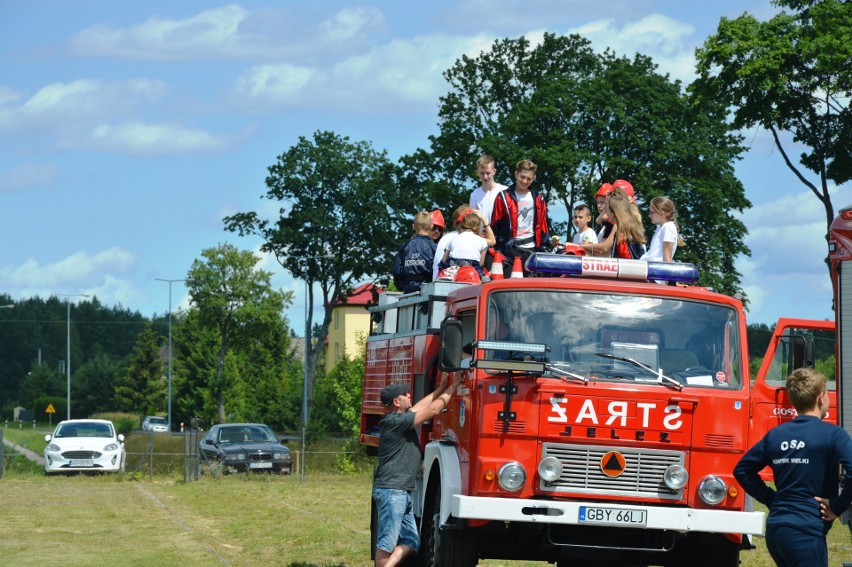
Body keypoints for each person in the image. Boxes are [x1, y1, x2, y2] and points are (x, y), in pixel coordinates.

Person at [734, 368, 852, 567]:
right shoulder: (833, 434)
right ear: (821, 398)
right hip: (805, 532)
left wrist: (772, 499)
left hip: (777, 531)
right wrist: (837, 506)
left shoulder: (776, 435)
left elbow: (742, 470)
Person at [372, 372, 463, 567]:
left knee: (412, 541)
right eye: (405, 394)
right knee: (387, 543)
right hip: (392, 490)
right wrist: (453, 387)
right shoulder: (394, 422)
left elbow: (420, 407)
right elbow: (431, 411)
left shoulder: (400, 418)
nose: (409, 395)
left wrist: (439, 388)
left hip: (402, 491)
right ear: (396, 402)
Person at [491, 159, 551, 275]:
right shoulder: (503, 197)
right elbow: (495, 224)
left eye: (529, 178)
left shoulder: (538, 199)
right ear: (516, 174)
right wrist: (496, 249)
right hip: (509, 250)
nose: (524, 181)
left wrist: (545, 247)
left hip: (532, 250)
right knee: (508, 287)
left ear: (534, 178)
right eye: (522, 177)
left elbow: (543, 226)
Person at [392, 211, 436, 294]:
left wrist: (402, 287)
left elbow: (397, 271)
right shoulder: (434, 248)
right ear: (431, 226)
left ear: (413, 226)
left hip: (408, 290)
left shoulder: (405, 246)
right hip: (428, 290)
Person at [443, 209, 492, 281]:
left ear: (462, 225)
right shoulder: (482, 241)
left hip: (453, 274)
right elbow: (480, 267)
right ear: (478, 227)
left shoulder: (452, 240)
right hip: (471, 275)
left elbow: (443, 262)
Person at [640, 196, 682, 262]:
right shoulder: (661, 227)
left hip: (654, 269)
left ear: (662, 213)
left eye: (652, 212)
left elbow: (667, 259)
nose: (649, 215)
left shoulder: (668, 227)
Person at [469, 154, 507, 225]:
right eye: (482, 173)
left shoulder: (505, 191)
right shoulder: (474, 195)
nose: (485, 177)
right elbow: (473, 220)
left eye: (488, 173)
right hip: (482, 234)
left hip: (502, 234)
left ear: (494, 171)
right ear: (477, 172)